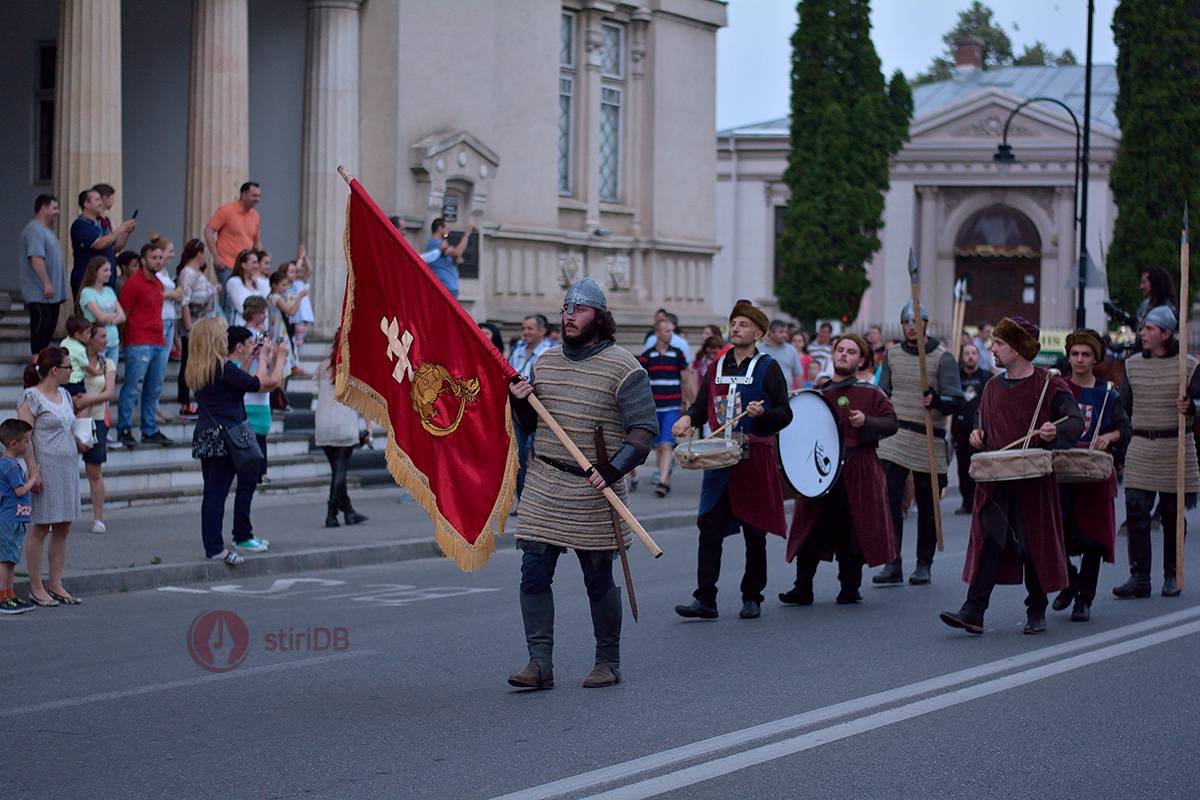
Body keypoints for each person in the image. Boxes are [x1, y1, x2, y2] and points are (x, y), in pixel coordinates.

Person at [506, 277, 656, 690]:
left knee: (597, 578)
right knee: (533, 572)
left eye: (580, 310)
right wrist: (520, 401)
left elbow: (644, 431)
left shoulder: (625, 367)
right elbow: (530, 425)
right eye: (566, 310)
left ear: (600, 318)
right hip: (545, 482)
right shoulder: (546, 362)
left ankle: (608, 660)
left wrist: (614, 469)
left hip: (595, 488)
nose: (569, 316)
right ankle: (539, 665)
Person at [940, 317, 1083, 635]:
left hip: (1032, 479)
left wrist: (1052, 431)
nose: (992, 348)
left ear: (1017, 349)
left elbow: (1074, 422)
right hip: (995, 477)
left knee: (1030, 544)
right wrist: (979, 433)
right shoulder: (991, 386)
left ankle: (1036, 609)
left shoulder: (1049, 384)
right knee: (989, 540)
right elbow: (984, 416)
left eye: (1000, 343)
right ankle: (973, 611)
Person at [672, 299, 793, 621]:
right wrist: (687, 419)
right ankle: (705, 599)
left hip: (754, 456)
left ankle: (752, 595)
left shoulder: (769, 367)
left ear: (759, 333)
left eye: (743, 324)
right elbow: (701, 406)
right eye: (734, 323)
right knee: (709, 525)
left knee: (755, 529)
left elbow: (785, 413)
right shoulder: (716, 366)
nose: (736, 328)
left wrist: (764, 413)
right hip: (719, 458)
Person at [782, 334, 898, 606]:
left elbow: (891, 423)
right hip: (819, 470)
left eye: (851, 351)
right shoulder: (818, 393)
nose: (844, 354)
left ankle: (849, 587)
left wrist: (866, 421)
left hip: (857, 469)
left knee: (851, 531)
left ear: (861, 360)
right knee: (809, 528)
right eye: (840, 350)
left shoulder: (871, 393)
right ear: (833, 355)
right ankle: (802, 588)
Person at [873, 301, 963, 586]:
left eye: (917, 322)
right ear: (902, 326)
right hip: (895, 437)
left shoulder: (942, 358)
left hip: (928, 439)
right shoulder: (893, 355)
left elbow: (955, 401)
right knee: (891, 502)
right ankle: (892, 561)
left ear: (925, 324)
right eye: (907, 322)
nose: (912, 326)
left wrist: (936, 400)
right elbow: (884, 392)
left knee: (927, 505)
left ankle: (924, 562)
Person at [1113, 306, 1200, 599]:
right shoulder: (1133, 365)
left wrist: (1191, 408)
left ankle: (1172, 574)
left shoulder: (1188, 366)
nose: (1143, 333)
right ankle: (1139, 577)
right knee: (1136, 510)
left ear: (1166, 333)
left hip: (1175, 446)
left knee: (1172, 515)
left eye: (1149, 329)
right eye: (1143, 328)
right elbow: (1122, 408)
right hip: (1141, 446)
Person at [188, 319, 288, 563]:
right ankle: (215, 548)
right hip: (226, 436)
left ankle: (213, 544)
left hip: (208, 434)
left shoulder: (201, 366)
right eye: (221, 333)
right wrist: (275, 357)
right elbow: (260, 383)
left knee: (212, 492)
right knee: (217, 494)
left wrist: (248, 360)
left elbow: (236, 382)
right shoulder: (222, 368)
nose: (225, 336)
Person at [1052, 329, 1129, 621]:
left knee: (1092, 538)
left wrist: (1108, 436)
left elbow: (1125, 428)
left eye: (1085, 355)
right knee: (1058, 531)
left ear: (1095, 358)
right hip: (1061, 471)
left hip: (1094, 473)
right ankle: (1069, 581)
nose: (1079, 360)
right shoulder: (1058, 389)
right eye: (1075, 354)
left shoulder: (1107, 393)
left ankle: (1084, 598)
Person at [19, 347, 83, 606]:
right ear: (55, 370)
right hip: (45, 468)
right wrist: (34, 472)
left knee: (64, 525)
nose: (71, 371)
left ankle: (56, 582)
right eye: (68, 366)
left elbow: (68, 428)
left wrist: (81, 441)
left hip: (67, 467)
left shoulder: (65, 395)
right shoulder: (31, 397)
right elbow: (25, 438)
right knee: (41, 526)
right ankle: (36, 586)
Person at [116, 242, 172, 448]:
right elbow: (124, 313)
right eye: (153, 258)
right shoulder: (133, 283)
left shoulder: (157, 283)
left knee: (153, 388)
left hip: (158, 341)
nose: (157, 261)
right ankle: (124, 428)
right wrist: (125, 340)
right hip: (138, 341)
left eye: (160, 258)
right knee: (132, 387)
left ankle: (149, 429)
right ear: (143, 260)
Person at [315, 339, 369, 528]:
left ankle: (349, 512)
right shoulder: (353, 367)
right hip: (344, 423)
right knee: (340, 470)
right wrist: (368, 426)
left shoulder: (322, 367)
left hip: (323, 424)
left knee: (338, 471)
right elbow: (363, 400)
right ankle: (331, 513)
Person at [638, 317, 689, 498]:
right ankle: (662, 474)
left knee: (667, 445)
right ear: (657, 333)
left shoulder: (677, 354)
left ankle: (663, 481)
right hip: (654, 407)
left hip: (672, 406)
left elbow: (685, 379)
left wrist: (687, 401)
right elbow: (642, 381)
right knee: (659, 446)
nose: (670, 334)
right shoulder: (648, 355)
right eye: (666, 331)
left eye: (671, 331)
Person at [74, 323, 116, 534]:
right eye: (102, 336)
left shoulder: (107, 362)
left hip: (97, 420)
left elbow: (109, 393)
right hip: (72, 417)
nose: (106, 340)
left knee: (94, 470)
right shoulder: (75, 359)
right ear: (90, 338)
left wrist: (88, 400)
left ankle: (98, 518)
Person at [507, 314, 555, 500]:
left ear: (542, 331)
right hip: (518, 411)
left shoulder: (551, 352)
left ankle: (543, 500)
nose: (525, 332)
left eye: (530, 328)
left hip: (541, 412)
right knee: (517, 458)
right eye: (524, 328)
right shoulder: (518, 349)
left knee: (540, 456)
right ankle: (523, 500)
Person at [20, 195, 68, 354]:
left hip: (50, 297)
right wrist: (47, 283)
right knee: (40, 335)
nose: (58, 212)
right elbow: (36, 257)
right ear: (43, 208)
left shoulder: (47, 231)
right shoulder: (34, 230)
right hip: (40, 295)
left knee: (47, 335)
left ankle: (42, 368)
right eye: (54, 208)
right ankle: (36, 370)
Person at [177, 239, 219, 416]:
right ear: (199, 253)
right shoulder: (188, 273)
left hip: (205, 325)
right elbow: (184, 300)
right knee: (189, 363)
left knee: (201, 364)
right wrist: (188, 328)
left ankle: (201, 400)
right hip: (194, 325)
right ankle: (185, 402)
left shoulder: (197, 273)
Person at [0, 420, 38, 615]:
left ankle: (9, 595)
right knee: (5, 560)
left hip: (16, 519)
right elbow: (20, 490)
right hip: (9, 519)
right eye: (26, 441)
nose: (28, 444)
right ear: (14, 444)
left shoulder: (12, 464)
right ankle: (2, 598)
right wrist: (33, 478)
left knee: (11, 560)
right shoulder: (9, 466)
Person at [238, 296, 277, 485]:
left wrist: (268, 354)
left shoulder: (262, 333)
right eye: (262, 312)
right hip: (249, 381)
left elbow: (268, 358)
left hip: (261, 381)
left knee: (261, 432)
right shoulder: (243, 332)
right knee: (250, 433)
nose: (265, 316)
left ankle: (261, 470)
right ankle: (250, 470)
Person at [68, 187, 134, 296]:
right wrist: (121, 228)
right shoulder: (80, 225)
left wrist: (126, 232)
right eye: (97, 200)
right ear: (86, 204)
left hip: (106, 279)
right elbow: (99, 244)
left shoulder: (101, 225)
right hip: (89, 281)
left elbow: (115, 247)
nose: (101, 203)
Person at [952, 342, 993, 514]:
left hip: (980, 429)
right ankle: (966, 502)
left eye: (974, 353)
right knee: (963, 466)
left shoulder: (985, 377)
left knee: (980, 466)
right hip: (960, 428)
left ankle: (981, 501)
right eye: (967, 353)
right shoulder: (956, 377)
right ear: (962, 356)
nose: (970, 356)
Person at [204, 181, 263, 289]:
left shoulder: (255, 216)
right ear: (244, 194)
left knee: (243, 300)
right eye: (254, 195)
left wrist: (260, 263)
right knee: (228, 298)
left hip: (246, 267)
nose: (257, 199)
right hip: (227, 265)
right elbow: (208, 231)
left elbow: (257, 242)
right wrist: (216, 256)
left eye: (259, 196)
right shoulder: (226, 210)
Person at [78, 255, 124, 366]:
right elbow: (99, 317)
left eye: (110, 270)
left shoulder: (109, 291)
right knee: (98, 376)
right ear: (95, 272)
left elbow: (122, 315)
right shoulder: (87, 292)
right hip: (96, 341)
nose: (109, 273)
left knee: (111, 373)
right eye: (105, 270)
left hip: (113, 340)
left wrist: (109, 319)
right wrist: (113, 316)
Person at [150, 234, 184, 363]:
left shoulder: (165, 272)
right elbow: (152, 294)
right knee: (158, 358)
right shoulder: (156, 274)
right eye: (170, 251)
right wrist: (171, 294)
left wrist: (176, 295)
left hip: (170, 317)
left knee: (163, 358)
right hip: (161, 317)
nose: (172, 254)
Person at [424, 217, 475, 299]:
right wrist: (467, 234)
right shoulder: (435, 243)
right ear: (440, 228)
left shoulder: (441, 243)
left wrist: (456, 260)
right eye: (447, 228)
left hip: (449, 287)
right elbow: (457, 252)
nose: (449, 231)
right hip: (445, 288)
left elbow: (452, 258)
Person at [287, 247, 317, 360]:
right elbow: (298, 268)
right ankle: (295, 359)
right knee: (296, 337)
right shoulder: (292, 282)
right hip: (297, 313)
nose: (300, 271)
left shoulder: (302, 280)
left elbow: (310, 269)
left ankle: (296, 358)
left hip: (304, 313)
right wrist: (300, 257)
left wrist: (304, 257)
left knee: (300, 339)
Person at [224, 249, 266, 326]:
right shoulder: (234, 282)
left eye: (257, 262)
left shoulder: (255, 282)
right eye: (253, 262)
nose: (257, 266)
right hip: (242, 330)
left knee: (265, 338)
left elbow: (265, 303)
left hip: (260, 329)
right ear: (243, 265)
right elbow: (243, 307)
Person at [758, 319, 804, 390]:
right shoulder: (759, 349)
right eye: (781, 332)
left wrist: (800, 394)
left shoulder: (791, 350)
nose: (784, 335)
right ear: (771, 333)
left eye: (785, 332)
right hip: (762, 395)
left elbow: (798, 374)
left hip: (786, 395)